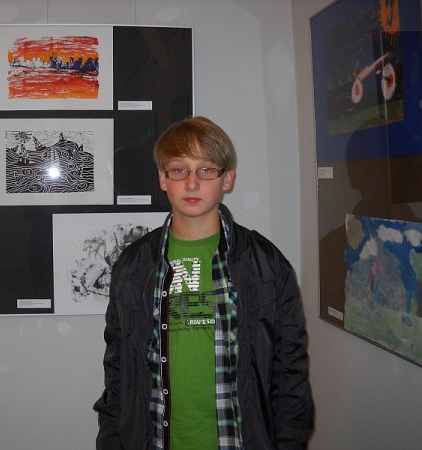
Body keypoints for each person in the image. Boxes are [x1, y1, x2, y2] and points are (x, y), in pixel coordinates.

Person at [93, 116, 314, 450]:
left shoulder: (266, 264)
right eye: (179, 170)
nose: (192, 183)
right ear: (163, 178)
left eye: (206, 170)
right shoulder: (134, 265)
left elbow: (290, 373)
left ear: (228, 178)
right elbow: (117, 369)